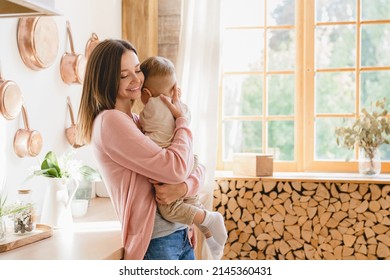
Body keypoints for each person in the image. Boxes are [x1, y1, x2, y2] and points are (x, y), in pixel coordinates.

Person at [76, 39, 205, 260]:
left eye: (137, 70)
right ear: (106, 80)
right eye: (124, 75)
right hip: (158, 243)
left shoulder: (137, 121)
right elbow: (175, 168)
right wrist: (181, 121)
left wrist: (183, 188)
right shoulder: (111, 122)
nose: (136, 79)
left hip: (178, 233)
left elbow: (196, 165)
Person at [139, 56, 227, 259]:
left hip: (171, 170)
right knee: (190, 201)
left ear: (146, 92)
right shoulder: (182, 109)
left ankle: (210, 220)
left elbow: (145, 133)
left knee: (170, 209)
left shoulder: (148, 110)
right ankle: (208, 232)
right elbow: (185, 121)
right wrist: (175, 101)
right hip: (189, 161)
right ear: (174, 88)